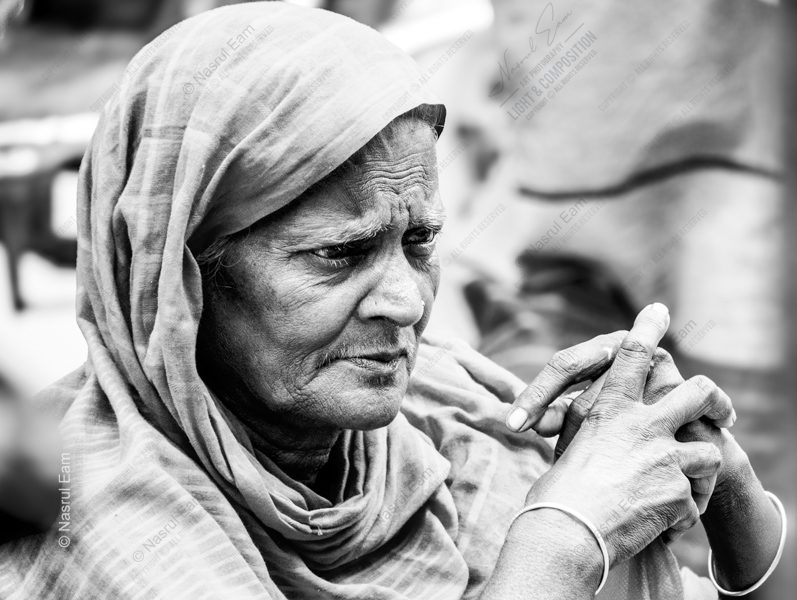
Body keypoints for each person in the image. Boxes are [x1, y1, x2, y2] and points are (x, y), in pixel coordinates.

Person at [0, 4, 786, 598]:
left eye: (419, 243)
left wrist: (731, 495)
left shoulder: (451, 423)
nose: (408, 304)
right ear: (175, 280)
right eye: (338, 255)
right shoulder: (94, 514)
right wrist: (560, 542)